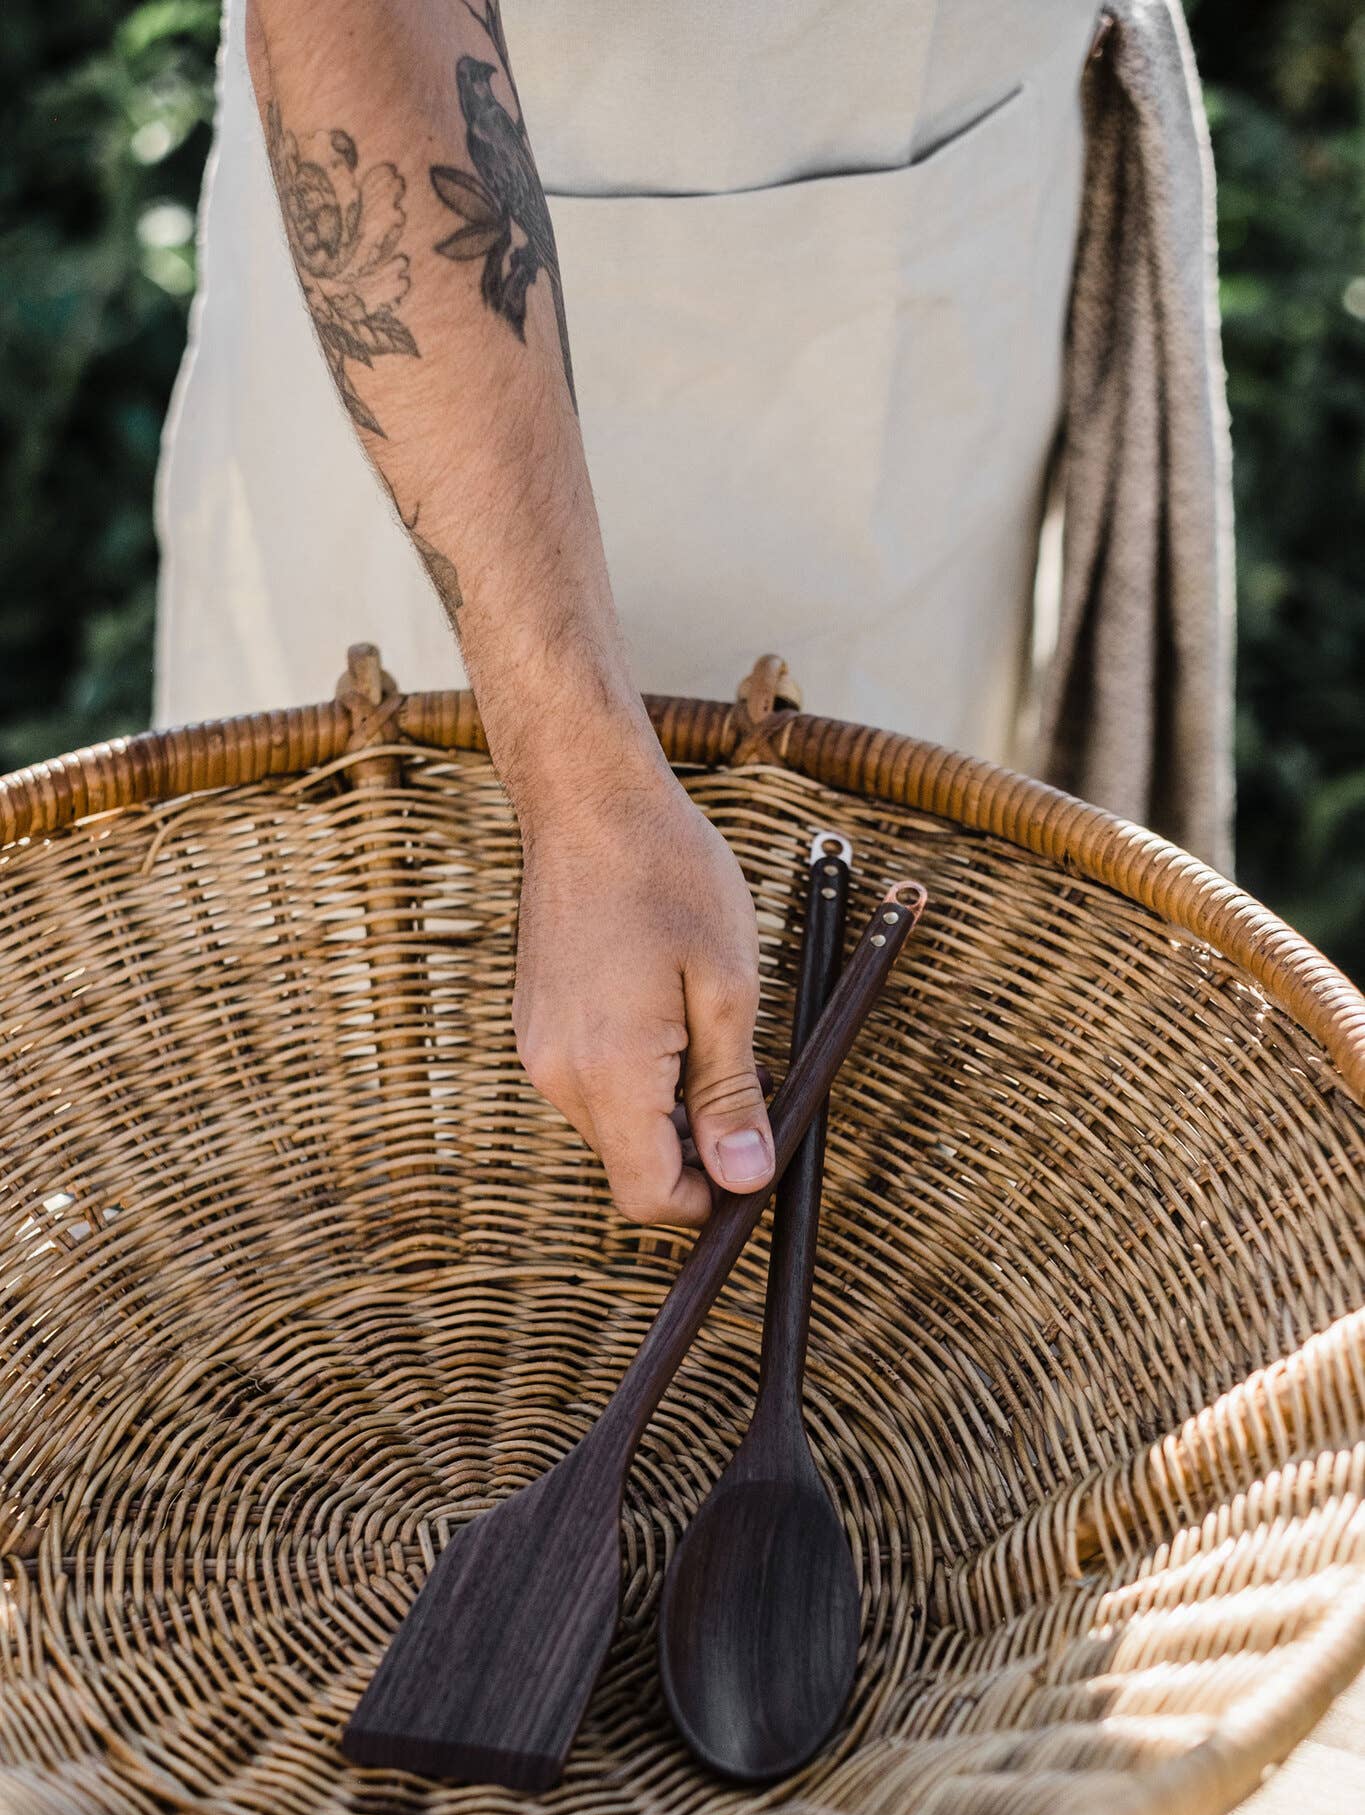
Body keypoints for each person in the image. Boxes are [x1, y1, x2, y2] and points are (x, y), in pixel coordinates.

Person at [156, 0, 1233, 1225]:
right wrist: (581, 785)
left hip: (945, 251)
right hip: (472, 298)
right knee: (370, 1127)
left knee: (875, 1117)